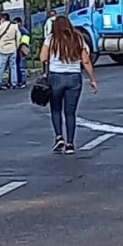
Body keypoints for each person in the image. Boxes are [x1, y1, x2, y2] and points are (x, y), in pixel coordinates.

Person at [40, 16, 98, 155]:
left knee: (55, 109)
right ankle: (70, 144)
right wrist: (92, 79)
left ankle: (59, 136)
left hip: (56, 77)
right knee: (70, 112)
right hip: (74, 77)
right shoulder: (78, 39)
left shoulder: (51, 39)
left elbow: (42, 57)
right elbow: (86, 61)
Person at [0, 13, 21, 90]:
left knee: (1, 66)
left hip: (3, 48)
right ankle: (14, 82)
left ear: (2, 19)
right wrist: (17, 46)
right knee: (13, 66)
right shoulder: (14, 26)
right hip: (12, 47)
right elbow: (18, 37)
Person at [14, 17, 31, 89]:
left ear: (19, 23)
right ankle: (19, 81)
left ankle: (22, 81)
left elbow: (25, 43)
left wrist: (22, 48)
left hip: (21, 50)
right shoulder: (23, 30)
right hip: (19, 49)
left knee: (21, 66)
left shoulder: (23, 31)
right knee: (19, 66)